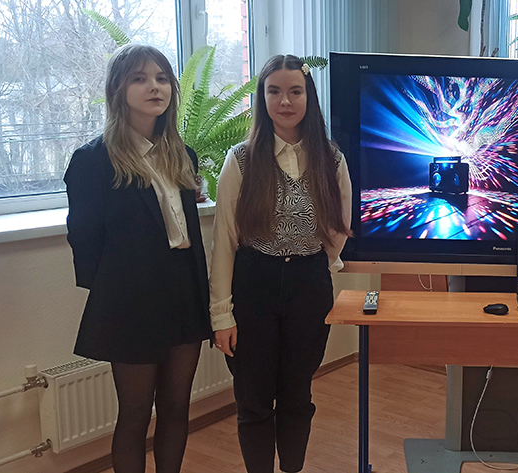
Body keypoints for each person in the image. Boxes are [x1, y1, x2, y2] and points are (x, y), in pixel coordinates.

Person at [64, 43, 212, 473]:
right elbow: (83, 240)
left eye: (162, 78)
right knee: (134, 414)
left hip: (184, 294)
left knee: (177, 407)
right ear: (119, 89)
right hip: (130, 302)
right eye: (140, 78)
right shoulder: (93, 160)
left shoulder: (182, 155)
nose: (154, 87)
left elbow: (184, 231)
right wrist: (116, 291)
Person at [209, 54, 352, 473]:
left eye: (295, 91)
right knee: (253, 401)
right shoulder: (240, 160)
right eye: (274, 91)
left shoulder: (331, 158)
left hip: (309, 288)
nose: (285, 101)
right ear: (262, 97)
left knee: (297, 397)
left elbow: (338, 229)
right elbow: (224, 241)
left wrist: (312, 263)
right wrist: (221, 315)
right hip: (253, 286)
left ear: (309, 97)